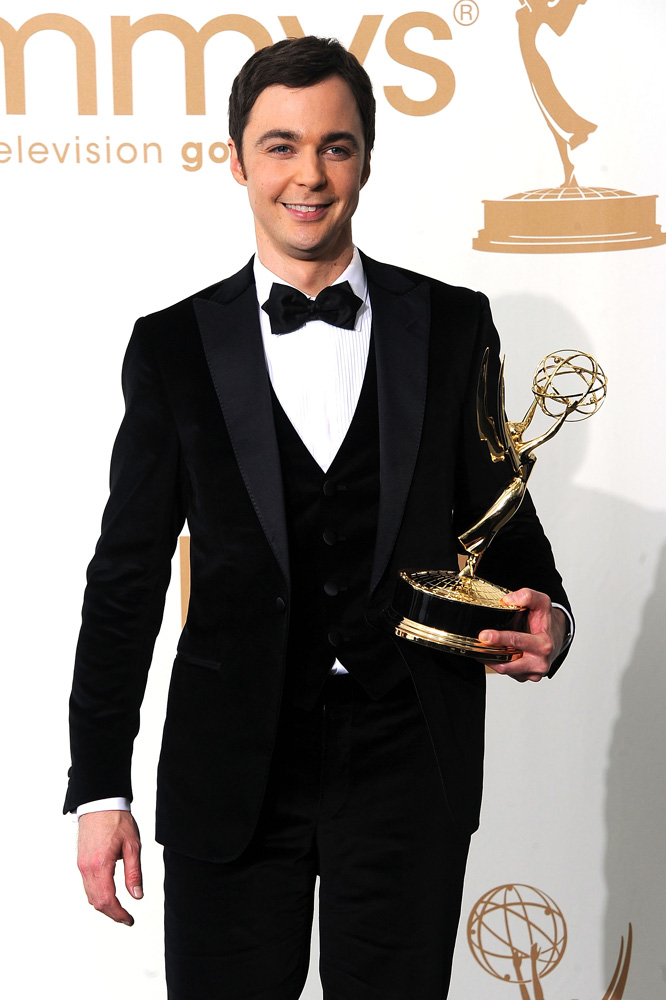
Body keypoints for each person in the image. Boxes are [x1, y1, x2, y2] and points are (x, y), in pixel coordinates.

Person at [65, 36, 572, 1000]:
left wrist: (552, 619)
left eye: (336, 146)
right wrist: (100, 785)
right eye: (281, 146)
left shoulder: (453, 325)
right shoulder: (172, 347)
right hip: (229, 765)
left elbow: (506, 527)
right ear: (237, 160)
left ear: (366, 160)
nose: (309, 174)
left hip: (408, 758)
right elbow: (124, 577)